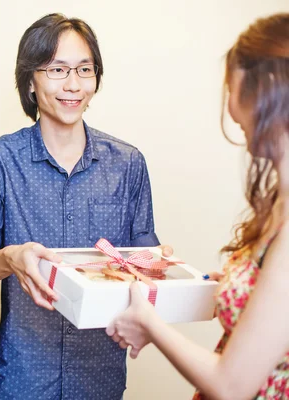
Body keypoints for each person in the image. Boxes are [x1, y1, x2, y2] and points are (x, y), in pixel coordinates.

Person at [0, 13, 170, 400]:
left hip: (100, 376)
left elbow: (144, 260)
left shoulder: (128, 163)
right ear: (30, 81)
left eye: (84, 69)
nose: (73, 84)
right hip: (23, 376)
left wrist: (159, 264)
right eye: (57, 69)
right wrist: (11, 257)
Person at [106, 13, 289, 400]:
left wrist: (149, 322)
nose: (231, 105)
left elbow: (231, 386)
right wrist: (238, 286)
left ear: (267, 87)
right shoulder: (278, 203)